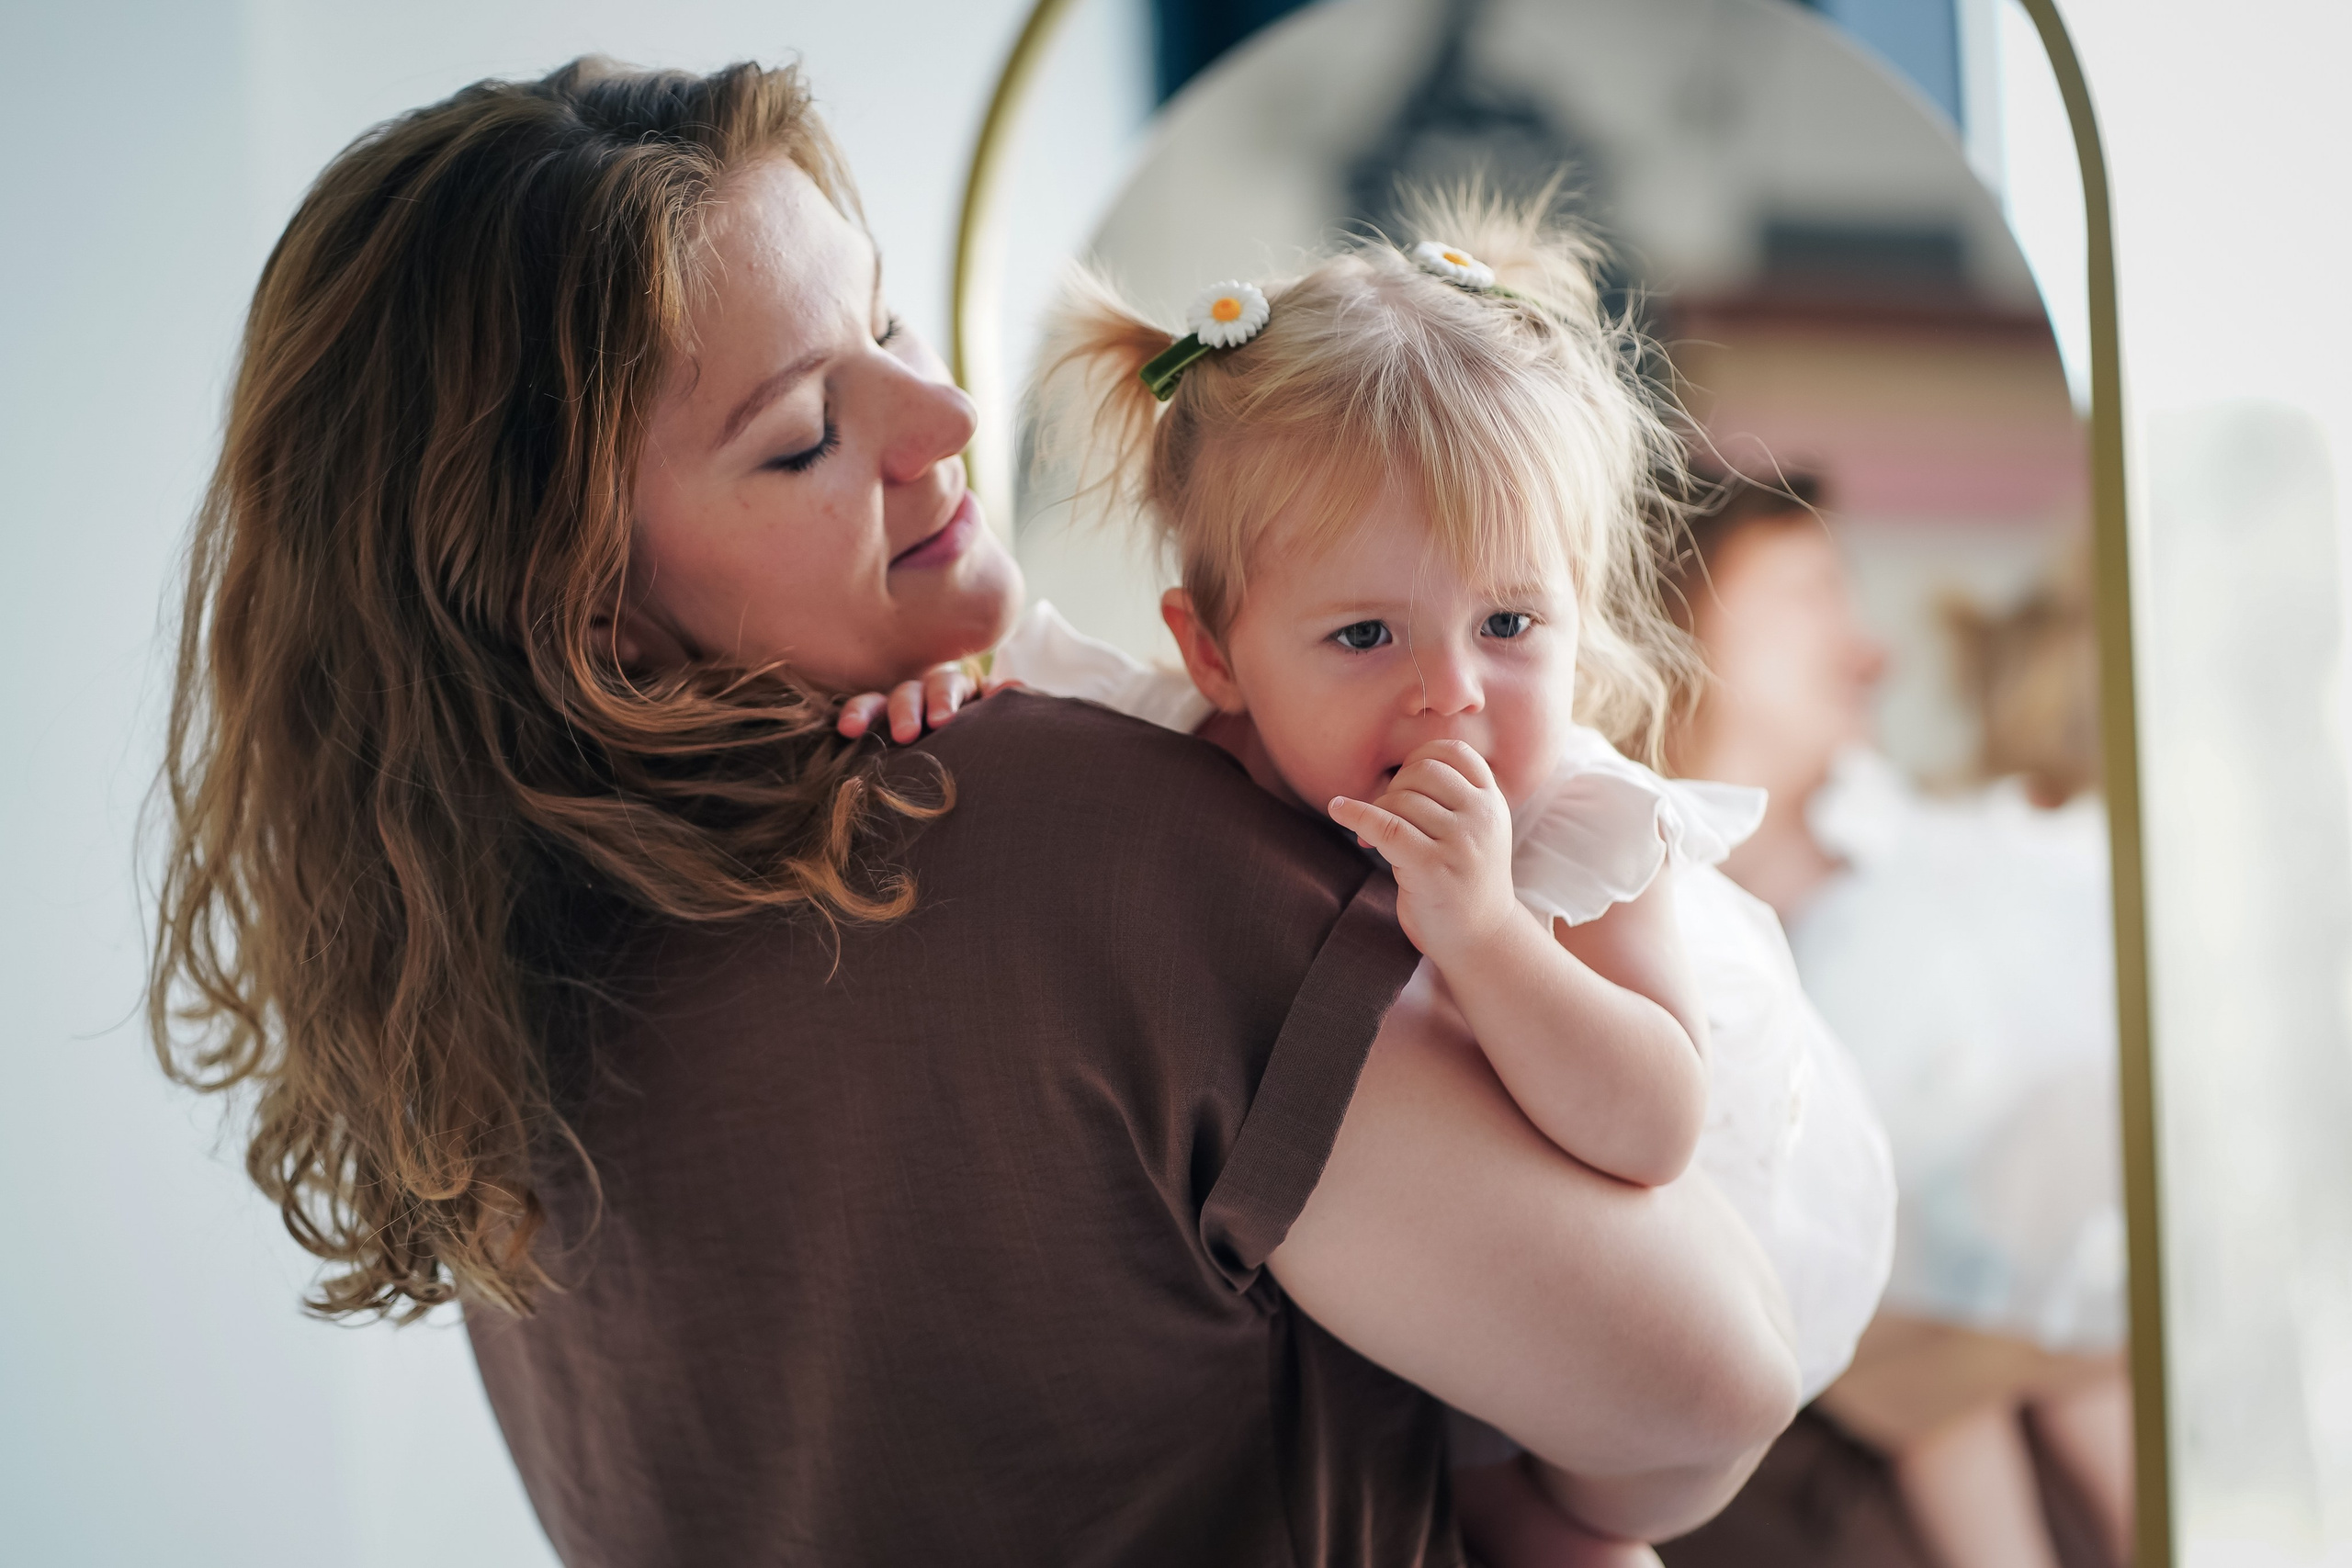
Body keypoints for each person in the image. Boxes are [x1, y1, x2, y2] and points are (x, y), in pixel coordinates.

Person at [146, 59, 1801, 1566]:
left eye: (887, 324)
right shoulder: (1070, 847)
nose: (942, 422)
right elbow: (1711, 1385)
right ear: (598, 621)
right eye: (805, 436)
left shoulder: (482, 1041)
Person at [875, 207, 1892, 1564]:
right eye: (1365, 633)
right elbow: (1022, 745)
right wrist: (929, 698)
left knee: (1607, 1520)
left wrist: (1487, 933)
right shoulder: (1178, 745)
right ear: (1215, 652)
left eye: (1511, 622)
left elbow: (1654, 1123)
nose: (1452, 690)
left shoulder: (1578, 827)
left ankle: (1546, 1518)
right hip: (1402, 1314)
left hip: (1633, 1322)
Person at [1657, 479, 2132, 1568]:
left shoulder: (1901, 851)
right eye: (1811, 593)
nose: (1869, 646)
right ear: (1681, 628)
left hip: (2001, 1245)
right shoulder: (1649, 891)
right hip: (1875, 1289)